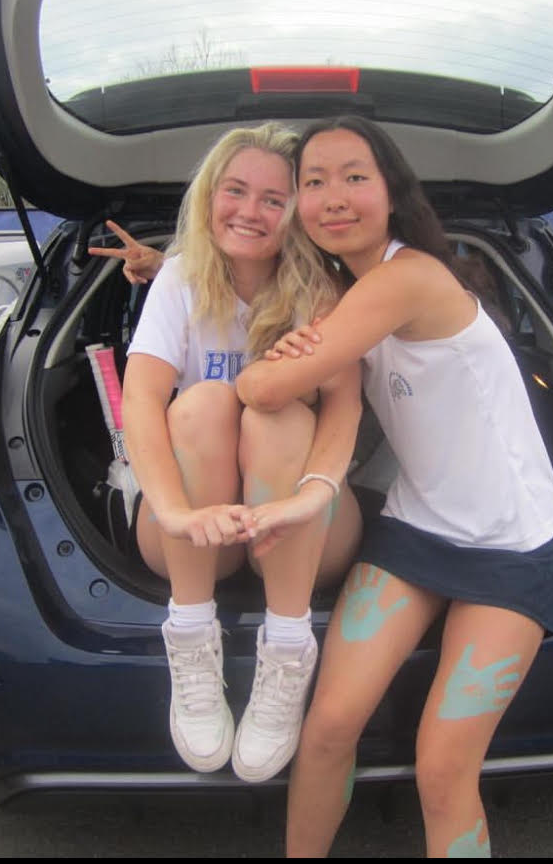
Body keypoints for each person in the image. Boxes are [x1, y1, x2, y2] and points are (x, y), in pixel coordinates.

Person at [235, 115, 553, 858]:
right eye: (313, 183)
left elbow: (267, 387)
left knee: (443, 769)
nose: (334, 197)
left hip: (511, 548)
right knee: (325, 731)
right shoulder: (335, 292)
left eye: (354, 176)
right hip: (417, 529)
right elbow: (330, 386)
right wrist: (159, 267)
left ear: (391, 191)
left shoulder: (409, 277)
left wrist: (273, 367)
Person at [90, 123, 364, 783]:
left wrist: (312, 494)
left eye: (274, 199)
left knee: (273, 411)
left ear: (296, 212)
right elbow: (143, 403)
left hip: (300, 531)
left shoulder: (319, 288)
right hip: (195, 536)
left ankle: (289, 648)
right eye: (236, 190)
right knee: (205, 401)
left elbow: (346, 406)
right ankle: (189, 634)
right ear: (209, 194)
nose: (251, 210)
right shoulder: (180, 279)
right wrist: (175, 512)